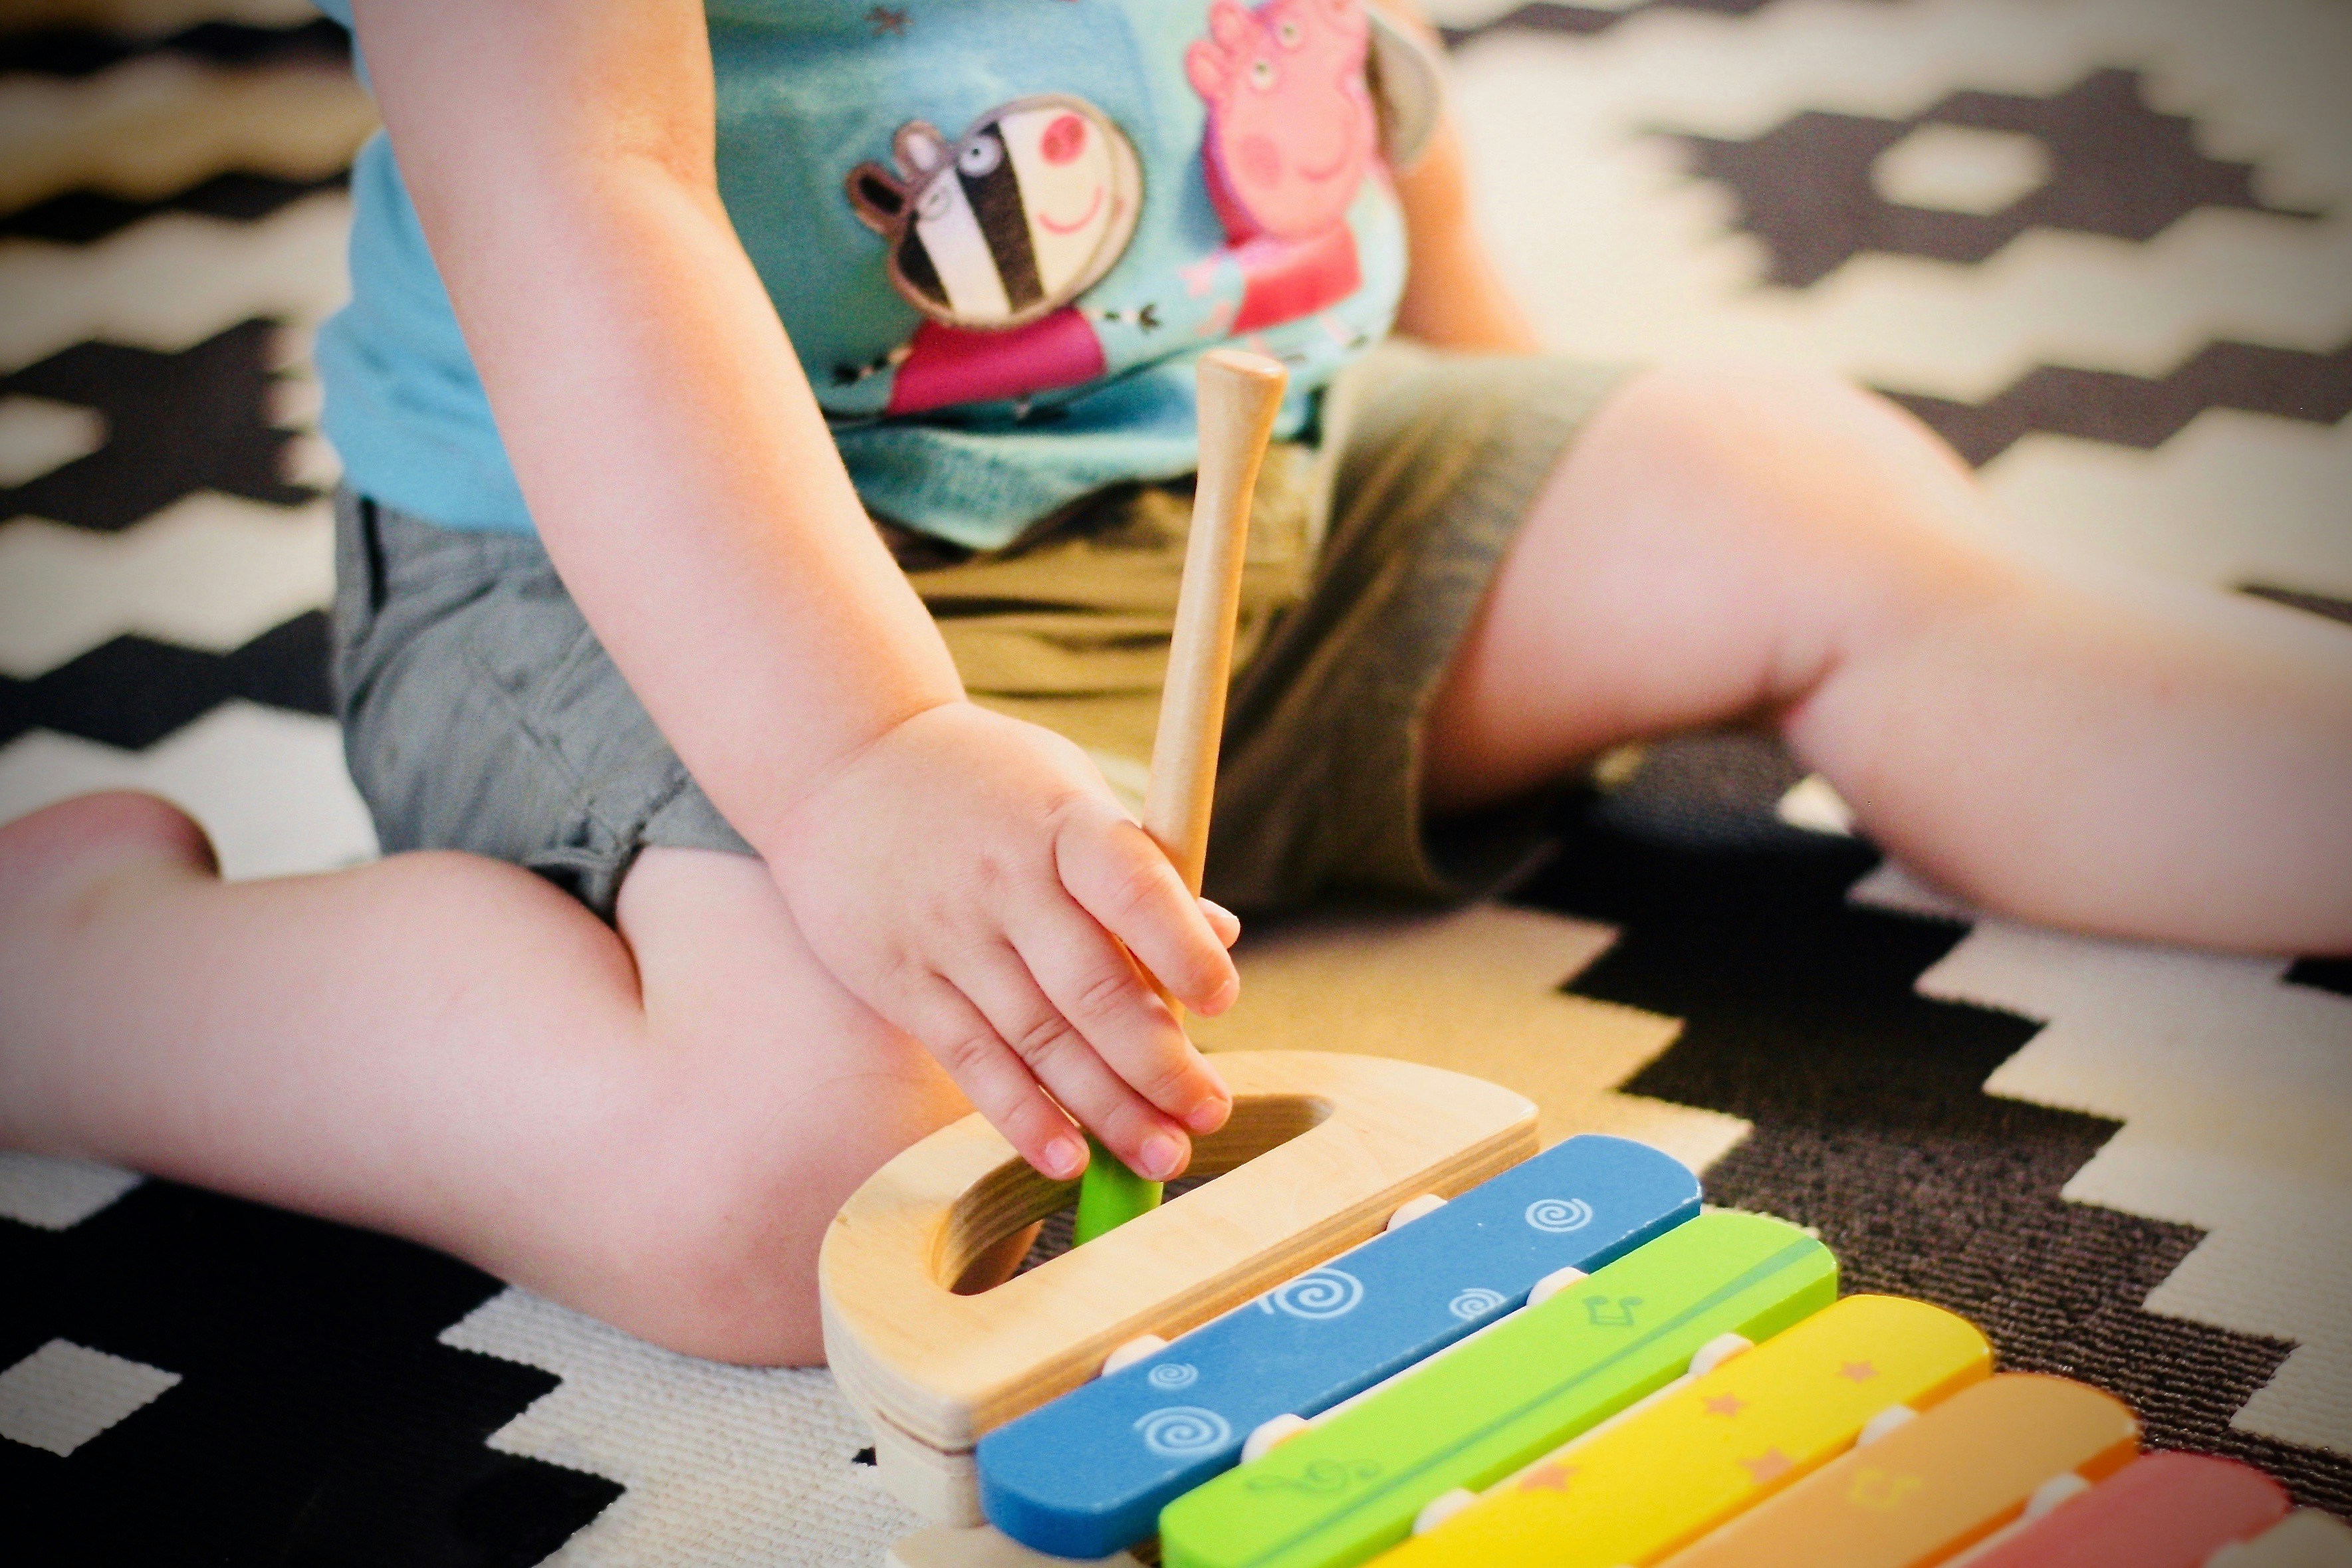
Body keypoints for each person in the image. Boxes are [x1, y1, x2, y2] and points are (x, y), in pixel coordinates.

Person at [1, 0, 2345, 1367]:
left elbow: (1328, 71)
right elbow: (583, 206)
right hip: (677, 588)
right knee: (795, 1189)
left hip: (1250, 478)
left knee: (1786, 484)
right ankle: (98, 983)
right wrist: (864, 765)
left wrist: (1522, 421)